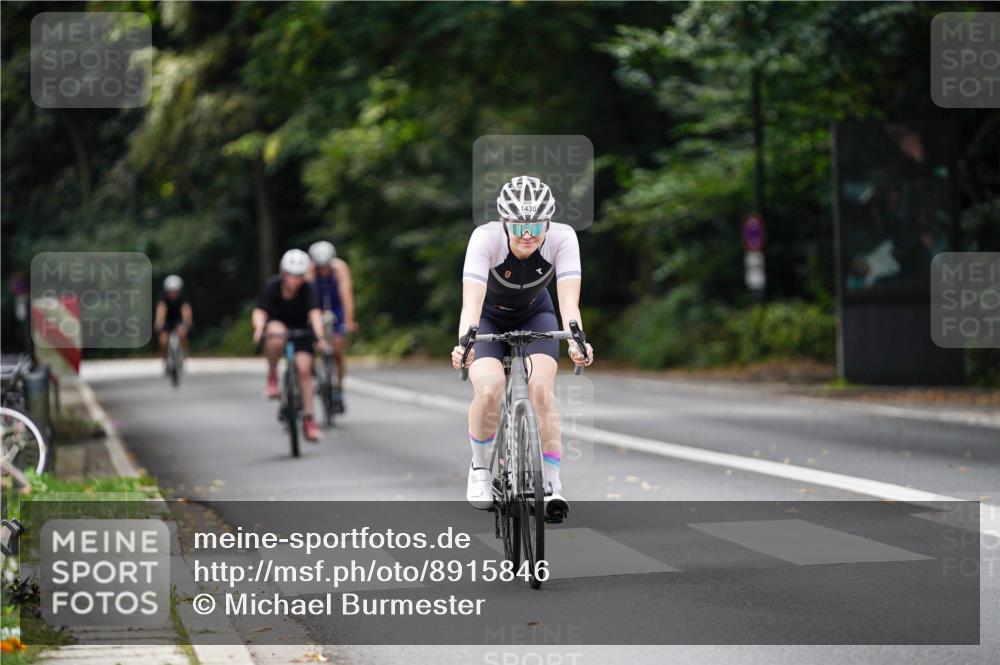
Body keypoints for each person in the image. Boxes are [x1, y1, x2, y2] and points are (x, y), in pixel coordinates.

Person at [451, 175, 594, 522]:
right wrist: (464, 344)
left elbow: (568, 303)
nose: (528, 233)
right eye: (518, 226)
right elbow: (471, 303)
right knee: (489, 389)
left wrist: (577, 339)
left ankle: (551, 484)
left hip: (536, 314)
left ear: (548, 221)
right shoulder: (485, 238)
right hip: (487, 318)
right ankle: (481, 469)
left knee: (542, 390)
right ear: (505, 222)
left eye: (536, 224)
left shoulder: (562, 237)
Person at [252, 249, 329, 442]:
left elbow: (314, 314)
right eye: (291, 275)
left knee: (304, 371)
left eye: (299, 276)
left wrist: (319, 336)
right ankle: (272, 377)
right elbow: (260, 311)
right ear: (283, 274)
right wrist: (259, 328)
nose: (295, 280)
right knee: (275, 336)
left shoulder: (308, 289)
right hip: (279, 326)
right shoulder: (272, 286)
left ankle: (309, 420)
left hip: (302, 330)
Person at [306, 240, 358, 411]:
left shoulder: (340, 269)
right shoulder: (309, 272)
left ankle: (338, 388)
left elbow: (346, 295)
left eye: (326, 266)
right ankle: (313, 371)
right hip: (316, 306)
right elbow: (307, 298)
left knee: (337, 350)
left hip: (336, 307)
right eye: (319, 266)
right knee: (312, 343)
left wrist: (348, 321)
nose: (323, 270)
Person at [154, 275, 193, 367]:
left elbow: (186, 310)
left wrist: (186, 322)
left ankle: (183, 354)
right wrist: (159, 322)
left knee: (182, 334)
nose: (173, 293)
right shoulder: (162, 297)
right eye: (171, 291)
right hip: (167, 320)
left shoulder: (183, 296)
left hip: (179, 319)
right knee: (163, 340)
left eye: (175, 291)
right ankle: (165, 359)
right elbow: (161, 310)